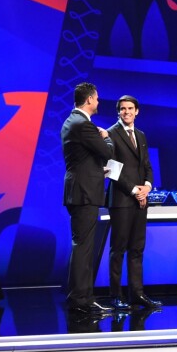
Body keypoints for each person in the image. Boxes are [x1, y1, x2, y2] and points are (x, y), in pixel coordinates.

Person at [61, 82, 114, 315]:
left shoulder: (73, 122)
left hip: (80, 189)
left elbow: (83, 159)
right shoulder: (83, 124)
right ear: (90, 99)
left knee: (82, 246)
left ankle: (83, 297)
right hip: (84, 193)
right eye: (97, 98)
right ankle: (81, 300)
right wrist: (107, 136)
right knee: (83, 247)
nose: (99, 102)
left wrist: (97, 170)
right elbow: (108, 152)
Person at [106, 95, 161, 310]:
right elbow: (111, 168)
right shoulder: (111, 134)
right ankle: (115, 296)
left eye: (130, 108)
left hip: (140, 199)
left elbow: (147, 165)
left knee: (137, 248)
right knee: (118, 248)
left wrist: (147, 186)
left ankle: (137, 294)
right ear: (118, 112)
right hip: (121, 199)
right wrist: (134, 189)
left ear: (137, 111)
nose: (127, 112)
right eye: (122, 109)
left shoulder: (141, 135)